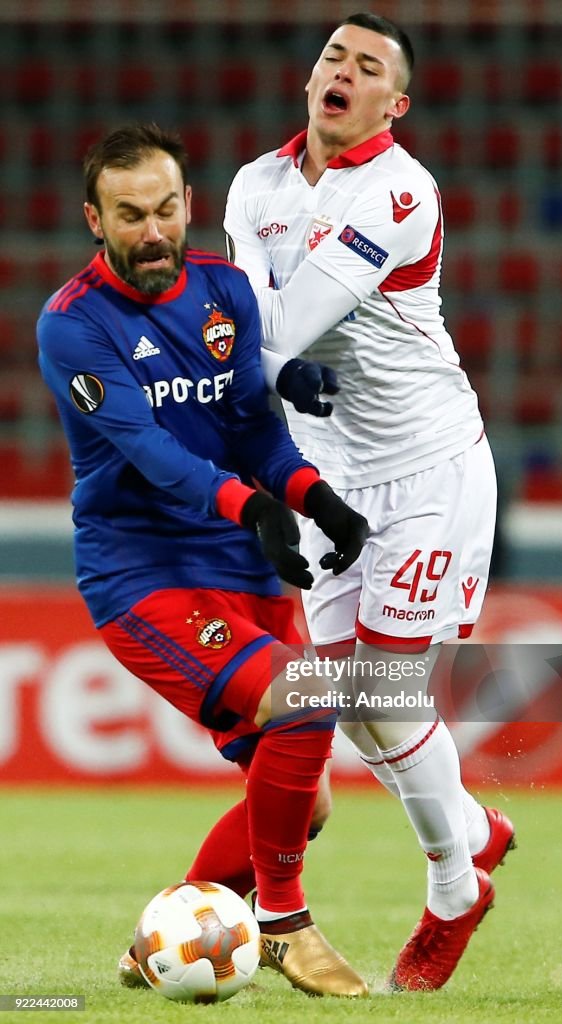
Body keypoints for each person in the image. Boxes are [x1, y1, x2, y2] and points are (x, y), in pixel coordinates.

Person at [36, 122, 370, 999]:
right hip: (146, 574)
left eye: (167, 209)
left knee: (303, 800)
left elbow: (254, 432)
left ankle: (161, 948)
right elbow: (149, 450)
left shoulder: (225, 291)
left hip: (248, 559)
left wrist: (312, 499)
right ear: (94, 221)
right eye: (129, 214)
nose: (153, 231)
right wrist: (252, 507)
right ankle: (286, 928)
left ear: (190, 206)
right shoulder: (73, 325)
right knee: (306, 703)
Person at [222, 12, 516, 992]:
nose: (339, 72)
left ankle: (450, 886)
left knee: (386, 692)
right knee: (349, 706)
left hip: (426, 463)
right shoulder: (254, 187)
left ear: (395, 103)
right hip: (330, 472)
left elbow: (281, 322)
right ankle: (472, 825)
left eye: (367, 67)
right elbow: (240, 328)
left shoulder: (398, 186)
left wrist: (226, 355)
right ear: (310, 79)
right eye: (330, 57)